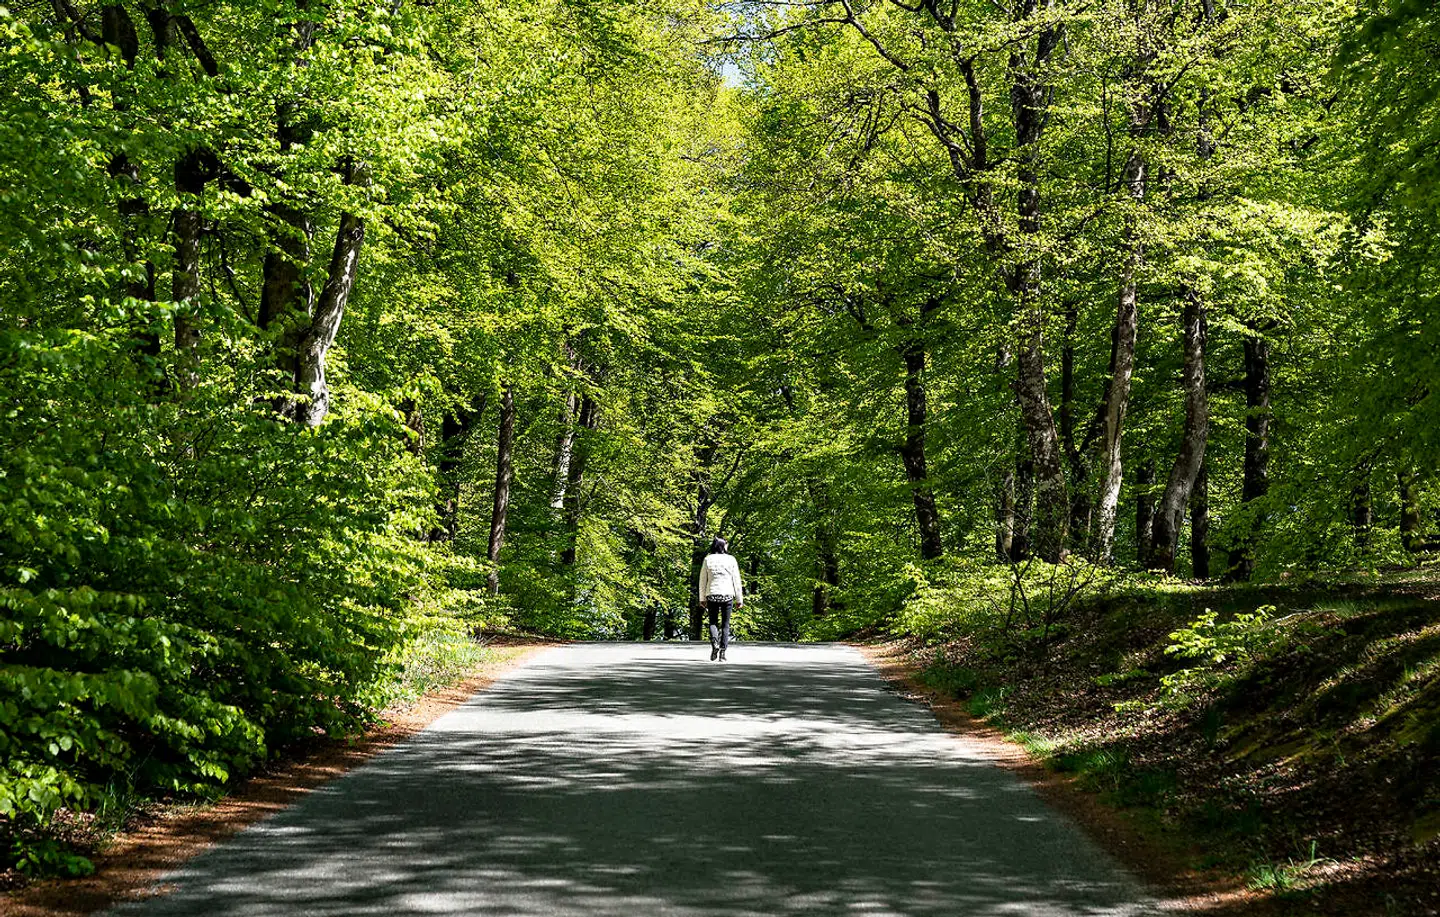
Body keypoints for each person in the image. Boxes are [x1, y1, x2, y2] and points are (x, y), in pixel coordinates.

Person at [698, 536, 744, 661]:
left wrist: (702, 598)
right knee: (725, 624)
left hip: (712, 594)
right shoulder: (731, 559)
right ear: (722, 545)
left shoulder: (708, 559)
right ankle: (723, 653)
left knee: (713, 622)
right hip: (727, 595)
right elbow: (736, 580)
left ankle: (715, 644)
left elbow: (702, 580)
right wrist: (739, 599)